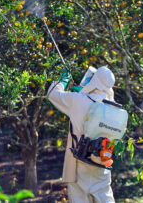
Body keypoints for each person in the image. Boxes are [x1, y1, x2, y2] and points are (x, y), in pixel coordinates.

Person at [47, 66, 116, 203]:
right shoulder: (114, 107)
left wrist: (63, 80)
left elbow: (52, 94)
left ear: (95, 80)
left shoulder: (77, 100)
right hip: (101, 163)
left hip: (79, 162)